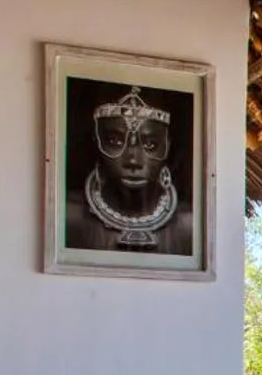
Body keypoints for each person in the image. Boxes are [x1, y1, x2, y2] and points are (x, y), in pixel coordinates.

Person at [69, 84, 193, 254]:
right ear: (95, 142)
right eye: (115, 142)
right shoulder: (68, 219)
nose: (133, 160)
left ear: (167, 146)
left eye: (150, 144)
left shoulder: (190, 227)